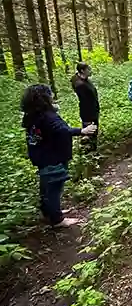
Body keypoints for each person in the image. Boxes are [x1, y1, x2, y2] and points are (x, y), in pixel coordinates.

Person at [22, 85, 97, 228]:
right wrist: (82, 131)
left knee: (47, 188)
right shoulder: (47, 116)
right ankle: (57, 219)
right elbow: (61, 130)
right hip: (52, 157)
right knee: (54, 188)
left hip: (42, 157)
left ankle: (49, 213)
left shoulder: (32, 115)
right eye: (50, 94)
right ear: (44, 97)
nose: (52, 96)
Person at [71, 62, 100, 151]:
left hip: (93, 110)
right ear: (82, 71)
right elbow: (86, 101)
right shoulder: (80, 85)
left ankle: (92, 151)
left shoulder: (83, 79)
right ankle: (90, 152)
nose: (90, 71)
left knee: (93, 131)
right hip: (88, 113)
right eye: (88, 69)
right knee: (90, 132)